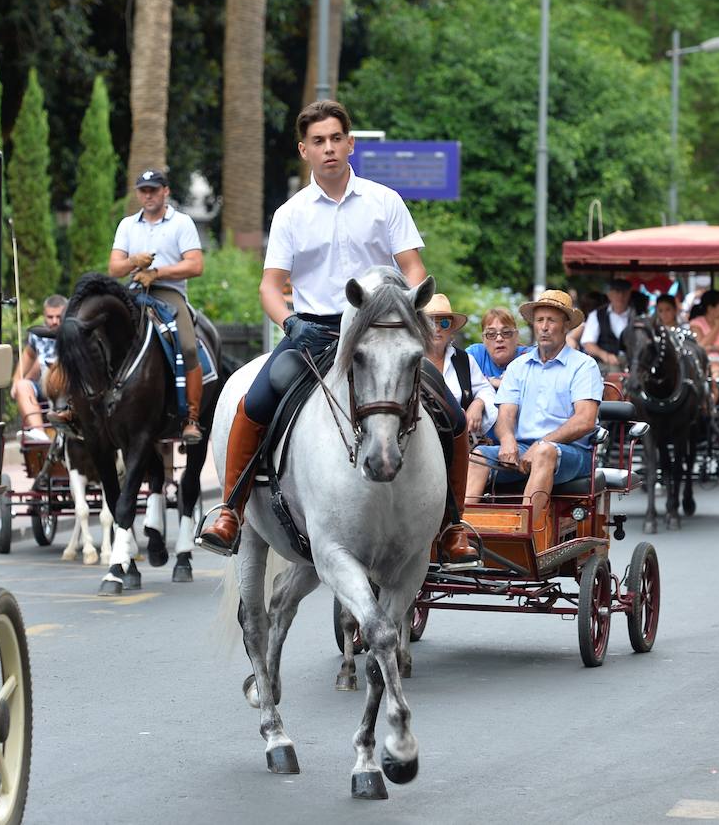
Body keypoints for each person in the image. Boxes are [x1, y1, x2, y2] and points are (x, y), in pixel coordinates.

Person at [197, 99, 477, 564]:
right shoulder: (290, 214)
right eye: (318, 141)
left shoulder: (385, 201)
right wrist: (290, 323)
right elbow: (269, 287)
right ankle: (230, 510)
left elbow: (412, 268)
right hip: (314, 333)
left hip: (381, 330)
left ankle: (452, 527)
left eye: (336, 139)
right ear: (304, 150)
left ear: (350, 144)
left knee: (452, 415)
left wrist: (412, 312)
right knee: (256, 403)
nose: (328, 148)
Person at [464, 290, 602, 501]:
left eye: (551, 320)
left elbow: (585, 421)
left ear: (566, 326)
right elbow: (505, 415)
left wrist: (540, 444)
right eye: (539, 320)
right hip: (522, 448)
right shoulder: (518, 366)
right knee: (478, 456)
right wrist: (508, 440)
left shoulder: (584, 365)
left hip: (571, 453)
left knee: (544, 453)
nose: (544, 327)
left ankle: (526, 531)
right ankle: (465, 529)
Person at [107, 169, 206, 444]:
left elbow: (195, 265)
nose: (148, 195)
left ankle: (192, 418)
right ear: (138, 193)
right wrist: (134, 262)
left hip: (169, 293)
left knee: (187, 346)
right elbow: (114, 267)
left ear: (166, 191)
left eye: (153, 189)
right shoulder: (127, 224)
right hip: (134, 290)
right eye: (143, 190)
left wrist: (157, 272)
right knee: (100, 331)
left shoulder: (182, 223)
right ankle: (80, 406)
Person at [422, 294, 497, 441]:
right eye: (430, 323)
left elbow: (486, 390)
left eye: (444, 323)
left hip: (459, 443)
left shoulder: (464, 360)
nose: (437, 328)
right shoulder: (411, 360)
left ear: (451, 329)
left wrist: (478, 403)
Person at [10, 295, 67, 442]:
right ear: (44, 316)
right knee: (22, 385)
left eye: (58, 317)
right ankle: (39, 432)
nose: (54, 321)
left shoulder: (73, 332)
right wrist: (16, 380)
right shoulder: (37, 334)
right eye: (50, 317)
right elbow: (28, 355)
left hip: (67, 386)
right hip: (44, 385)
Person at [466, 306, 530, 388]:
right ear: (483, 339)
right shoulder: (474, 354)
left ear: (516, 336)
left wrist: (492, 382)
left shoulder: (529, 357)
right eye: (491, 334)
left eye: (506, 332)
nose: (499, 339)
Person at [689, 288, 719, 394]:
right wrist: (717, 327)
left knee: (715, 372)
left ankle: (713, 398)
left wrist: (713, 348)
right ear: (711, 308)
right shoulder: (696, 323)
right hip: (699, 359)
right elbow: (700, 346)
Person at [581, 278, 634, 370]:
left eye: (624, 292)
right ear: (610, 294)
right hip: (605, 365)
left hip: (633, 364)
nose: (621, 296)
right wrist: (605, 355)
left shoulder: (637, 316)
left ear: (629, 294)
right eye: (617, 292)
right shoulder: (597, 315)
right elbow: (588, 343)